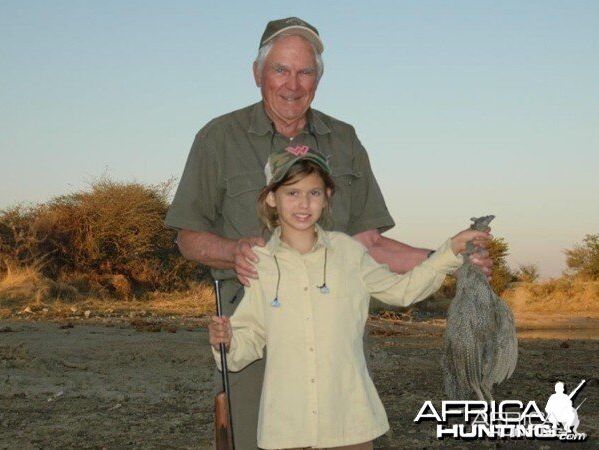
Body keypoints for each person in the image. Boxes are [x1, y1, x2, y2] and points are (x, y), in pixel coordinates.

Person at [165, 17, 492, 448]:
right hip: (254, 319)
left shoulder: (345, 138)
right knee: (255, 437)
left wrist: (452, 256)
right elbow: (188, 236)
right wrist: (234, 251)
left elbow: (370, 245)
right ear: (258, 73)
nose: (293, 84)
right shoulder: (217, 137)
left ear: (318, 79)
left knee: (342, 427)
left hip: (330, 325)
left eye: (306, 72)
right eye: (281, 69)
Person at [208, 147, 491, 449]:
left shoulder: (349, 253)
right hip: (287, 429)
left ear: (327, 195)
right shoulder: (260, 263)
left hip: (349, 425)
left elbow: (403, 289)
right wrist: (226, 340)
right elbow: (247, 340)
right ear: (272, 198)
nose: (303, 203)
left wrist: (449, 251)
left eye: (314, 193)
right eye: (292, 193)